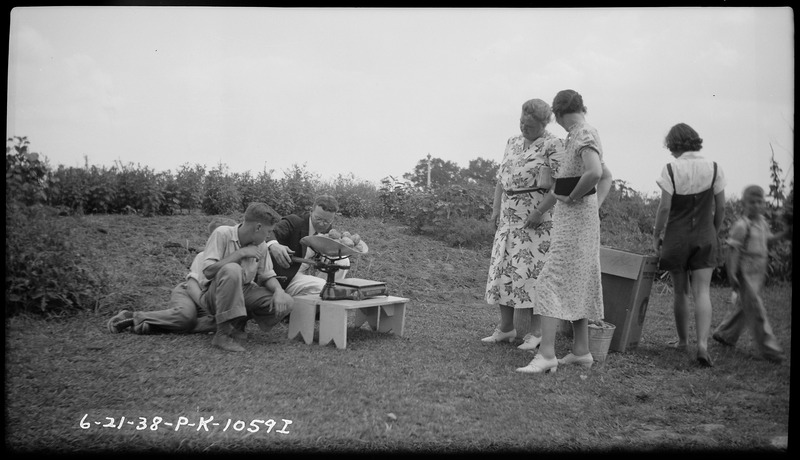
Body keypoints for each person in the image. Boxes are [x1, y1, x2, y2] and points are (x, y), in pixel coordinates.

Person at [517, 89, 613, 374]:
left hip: (574, 219)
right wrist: (592, 204)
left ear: (558, 114)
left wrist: (572, 198)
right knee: (578, 280)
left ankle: (546, 354)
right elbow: (606, 176)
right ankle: (581, 350)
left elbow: (595, 172)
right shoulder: (583, 132)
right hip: (579, 219)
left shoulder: (581, 133)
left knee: (550, 281)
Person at [483, 98, 563, 351]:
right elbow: (501, 180)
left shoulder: (553, 144)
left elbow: (560, 185)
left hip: (535, 221)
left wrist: (540, 211)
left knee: (532, 275)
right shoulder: (512, 142)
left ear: (542, 124)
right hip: (509, 217)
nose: (523, 128)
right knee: (504, 270)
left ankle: (537, 332)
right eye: (521, 122)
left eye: (529, 125)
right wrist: (496, 210)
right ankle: (506, 328)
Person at [653, 123, 726, 367]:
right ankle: (702, 345)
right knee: (702, 291)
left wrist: (656, 233)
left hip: (676, 236)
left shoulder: (671, 168)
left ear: (673, 145)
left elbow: (664, 207)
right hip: (705, 235)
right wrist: (713, 232)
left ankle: (683, 341)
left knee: (680, 291)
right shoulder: (714, 167)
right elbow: (721, 207)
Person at [107, 217, 238, 335]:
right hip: (190, 294)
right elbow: (192, 286)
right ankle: (132, 317)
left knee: (225, 324)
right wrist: (208, 307)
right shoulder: (203, 257)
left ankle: (154, 326)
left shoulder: (236, 260)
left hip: (208, 303)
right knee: (186, 317)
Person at [712, 185, 786, 363]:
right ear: (744, 203)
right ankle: (770, 350)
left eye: (760, 201)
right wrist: (732, 273)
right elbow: (733, 251)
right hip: (745, 271)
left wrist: (785, 233)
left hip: (758, 272)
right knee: (756, 309)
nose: (756, 205)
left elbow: (768, 240)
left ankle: (725, 334)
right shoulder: (741, 226)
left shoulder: (762, 223)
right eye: (752, 202)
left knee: (744, 307)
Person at [267, 195, 350, 296]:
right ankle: (319, 298)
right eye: (318, 218)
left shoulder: (328, 229)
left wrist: (327, 255)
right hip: (288, 276)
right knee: (322, 287)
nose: (322, 224)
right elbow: (269, 232)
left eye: (327, 221)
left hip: (304, 273)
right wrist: (273, 245)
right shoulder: (294, 222)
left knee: (343, 261)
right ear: (311, 211)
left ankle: (327, 297)